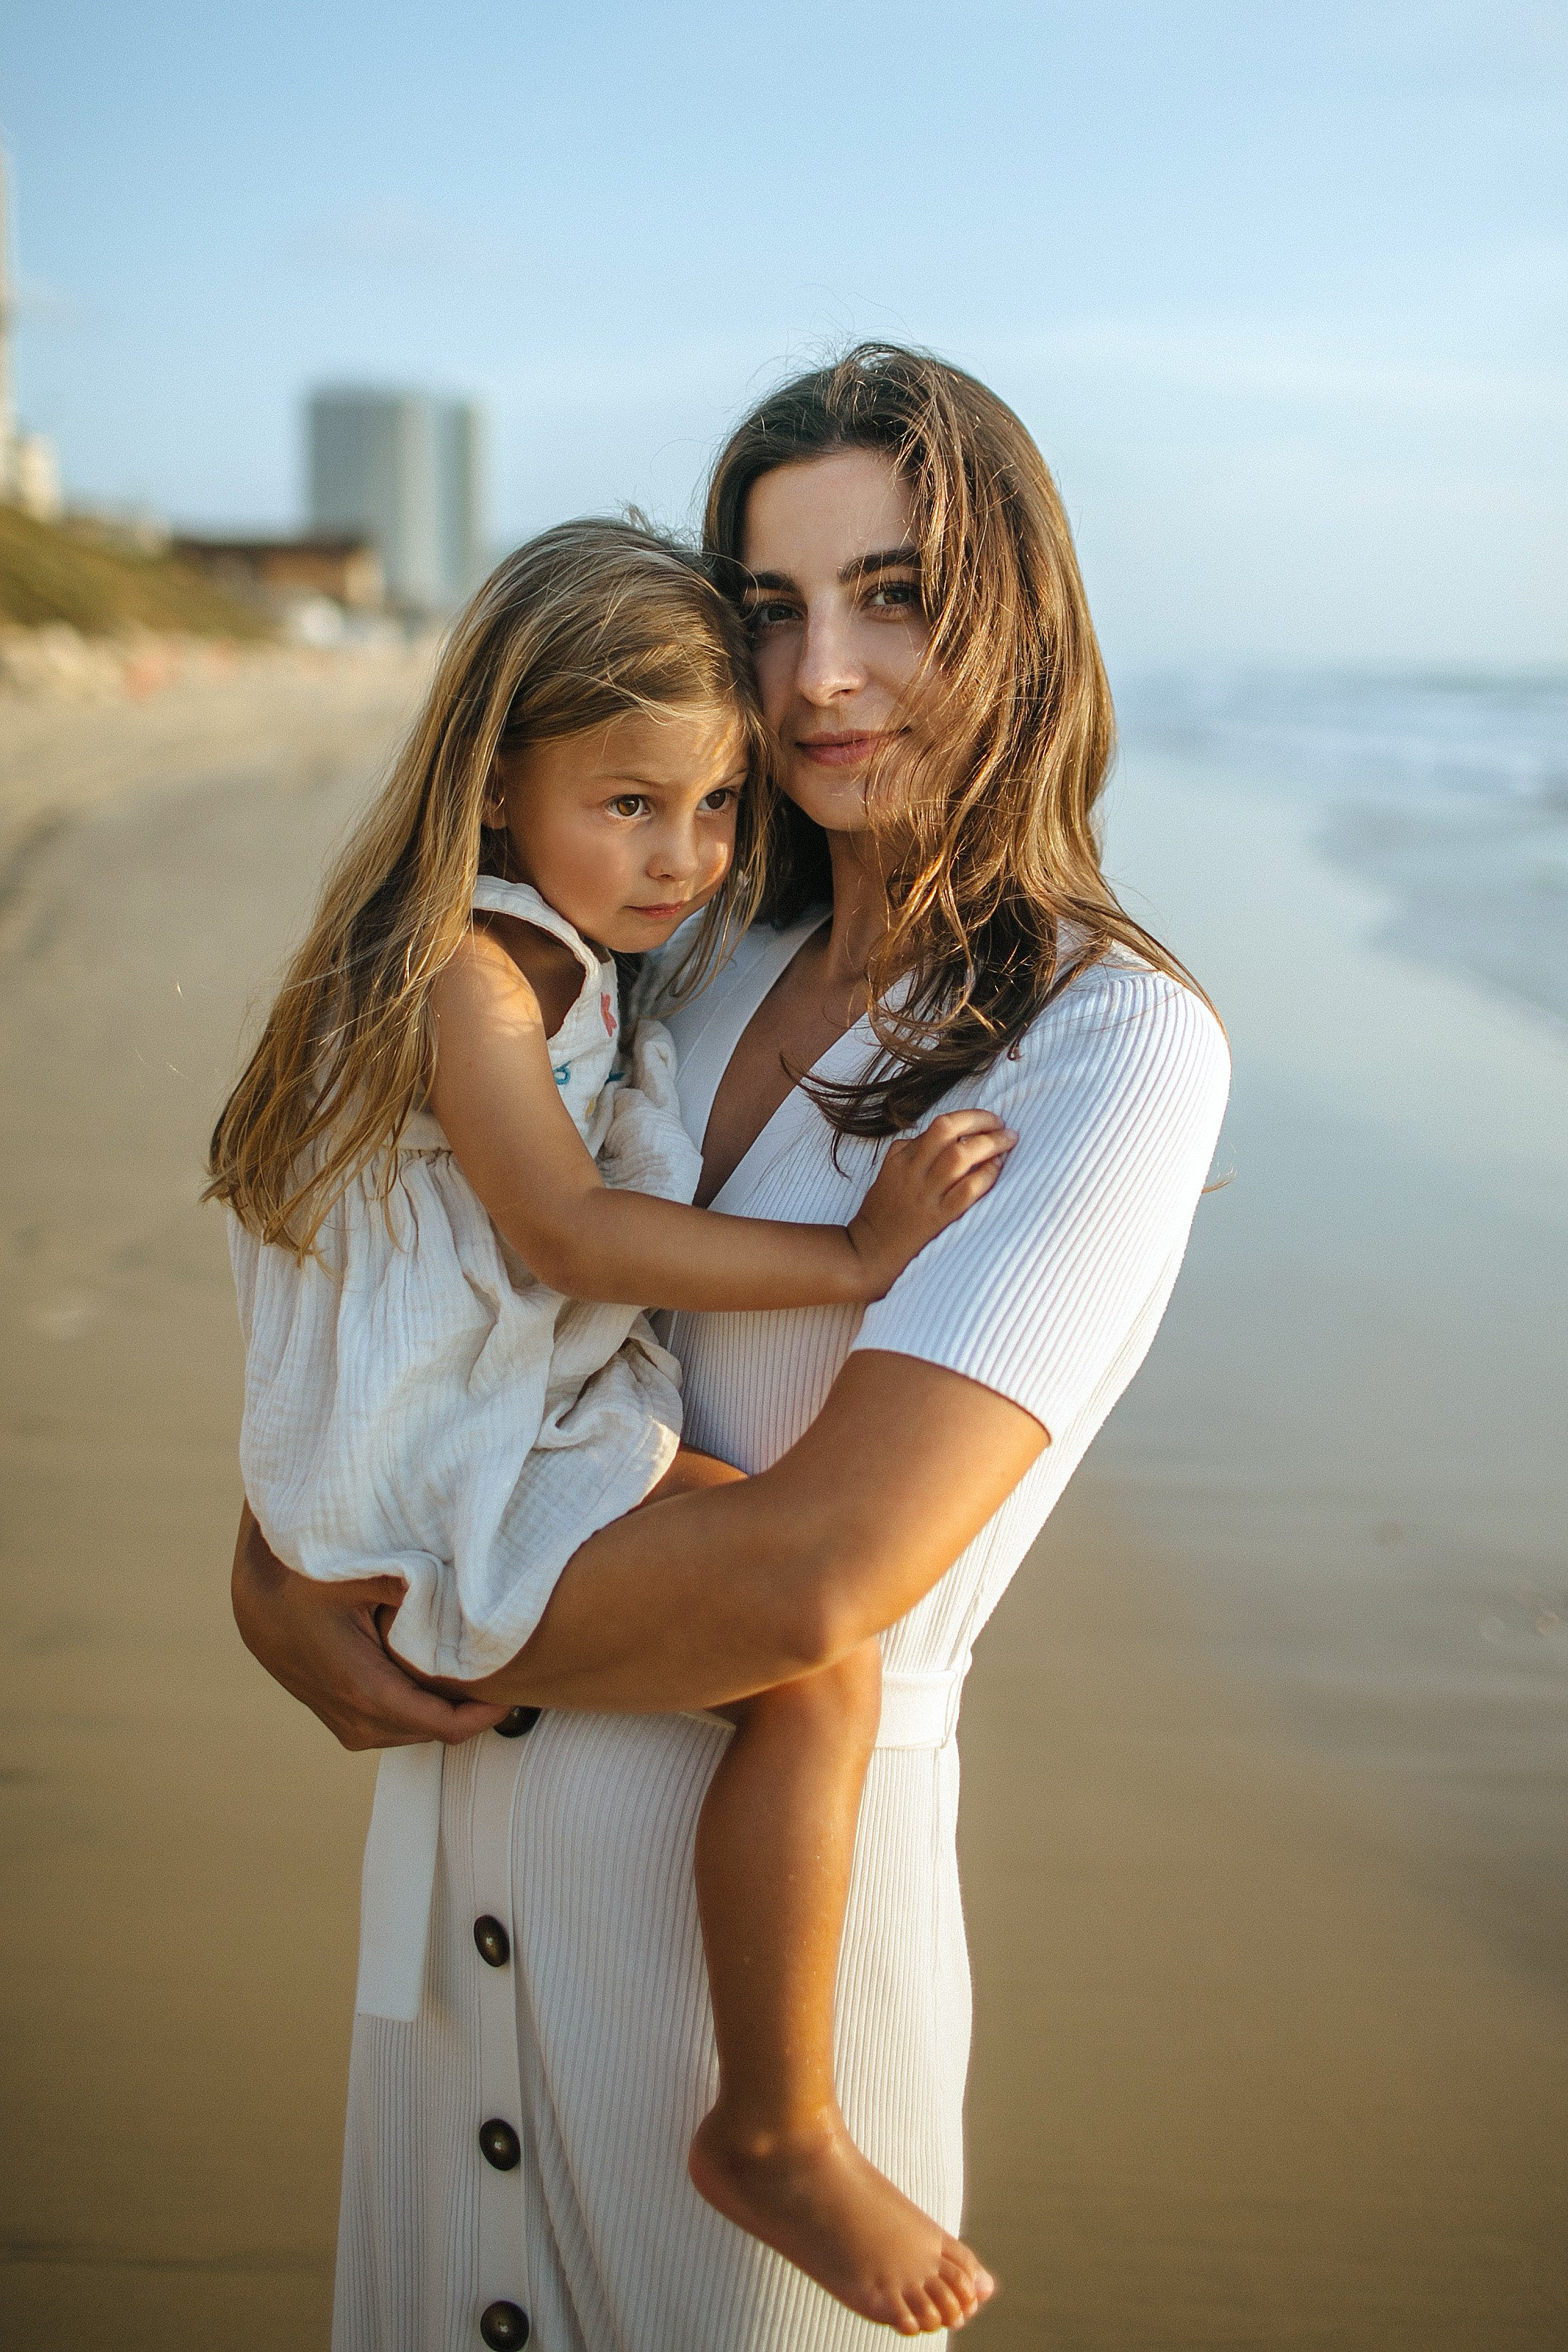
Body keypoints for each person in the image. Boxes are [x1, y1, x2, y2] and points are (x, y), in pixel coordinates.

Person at [232, 344, 1232, 2352]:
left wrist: (379, 1596)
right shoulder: (667, 948)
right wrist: (265, 1561)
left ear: (1019, 622)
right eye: (768, 610)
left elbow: (818, 1573)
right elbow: (429, 1274)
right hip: (453, 1929)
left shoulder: (1101, 1047)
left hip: (739, 2015)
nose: (815, 678)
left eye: (894, 599)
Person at [208, 518, 1010, 2334]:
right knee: (816, 1670)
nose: (685, 855)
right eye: (630, 804)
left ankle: (775, 2119)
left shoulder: (564, 949)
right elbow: (563, 1231)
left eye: (720, 806)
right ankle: (777, 2124)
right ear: (496, 786)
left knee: (814, 1664)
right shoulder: (472, 980)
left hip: (493, 1435)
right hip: (459, 1476)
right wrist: (854, 1250)